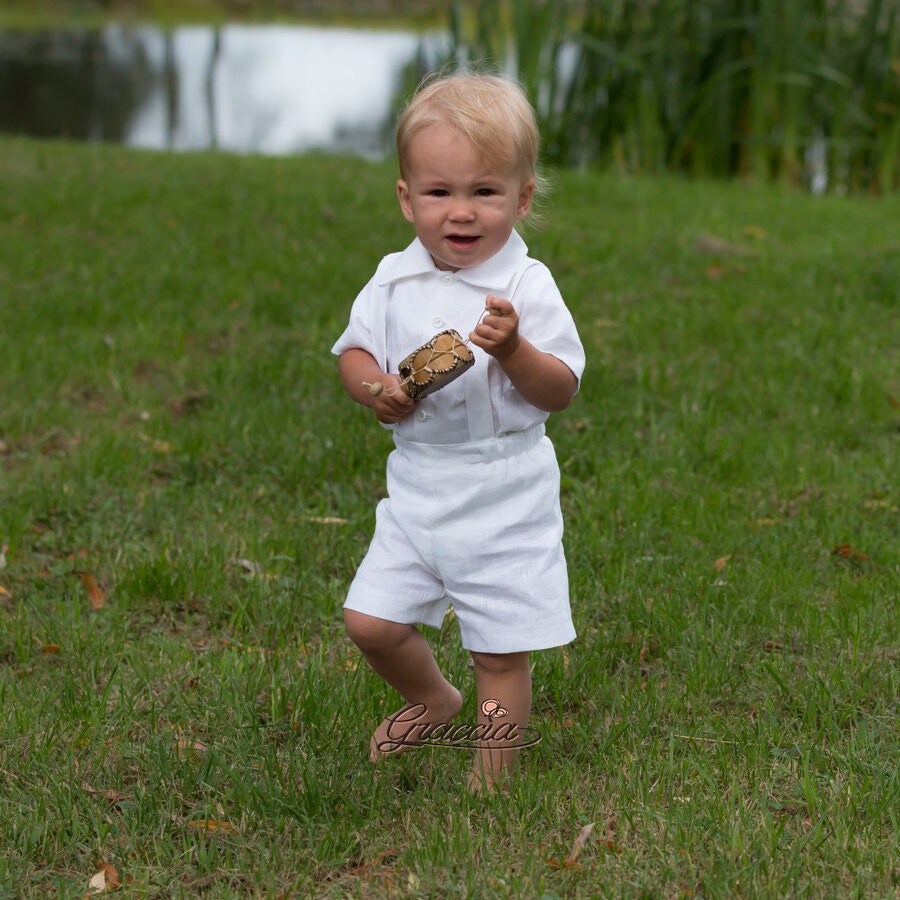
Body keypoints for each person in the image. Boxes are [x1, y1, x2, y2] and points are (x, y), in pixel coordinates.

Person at [331, 72, 585, 791]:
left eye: (485, 192)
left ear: (523, 197)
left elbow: (560, 388)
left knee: (500, 651)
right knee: (370, 621)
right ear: (407, 199)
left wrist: (513, 350)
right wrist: (376, 389)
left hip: (505, 486)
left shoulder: (527, 286)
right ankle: (433, 699)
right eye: (440, 193)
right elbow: (353, 352)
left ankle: (491, 782)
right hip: (418, 484)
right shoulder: (392, 281)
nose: (462, 213)